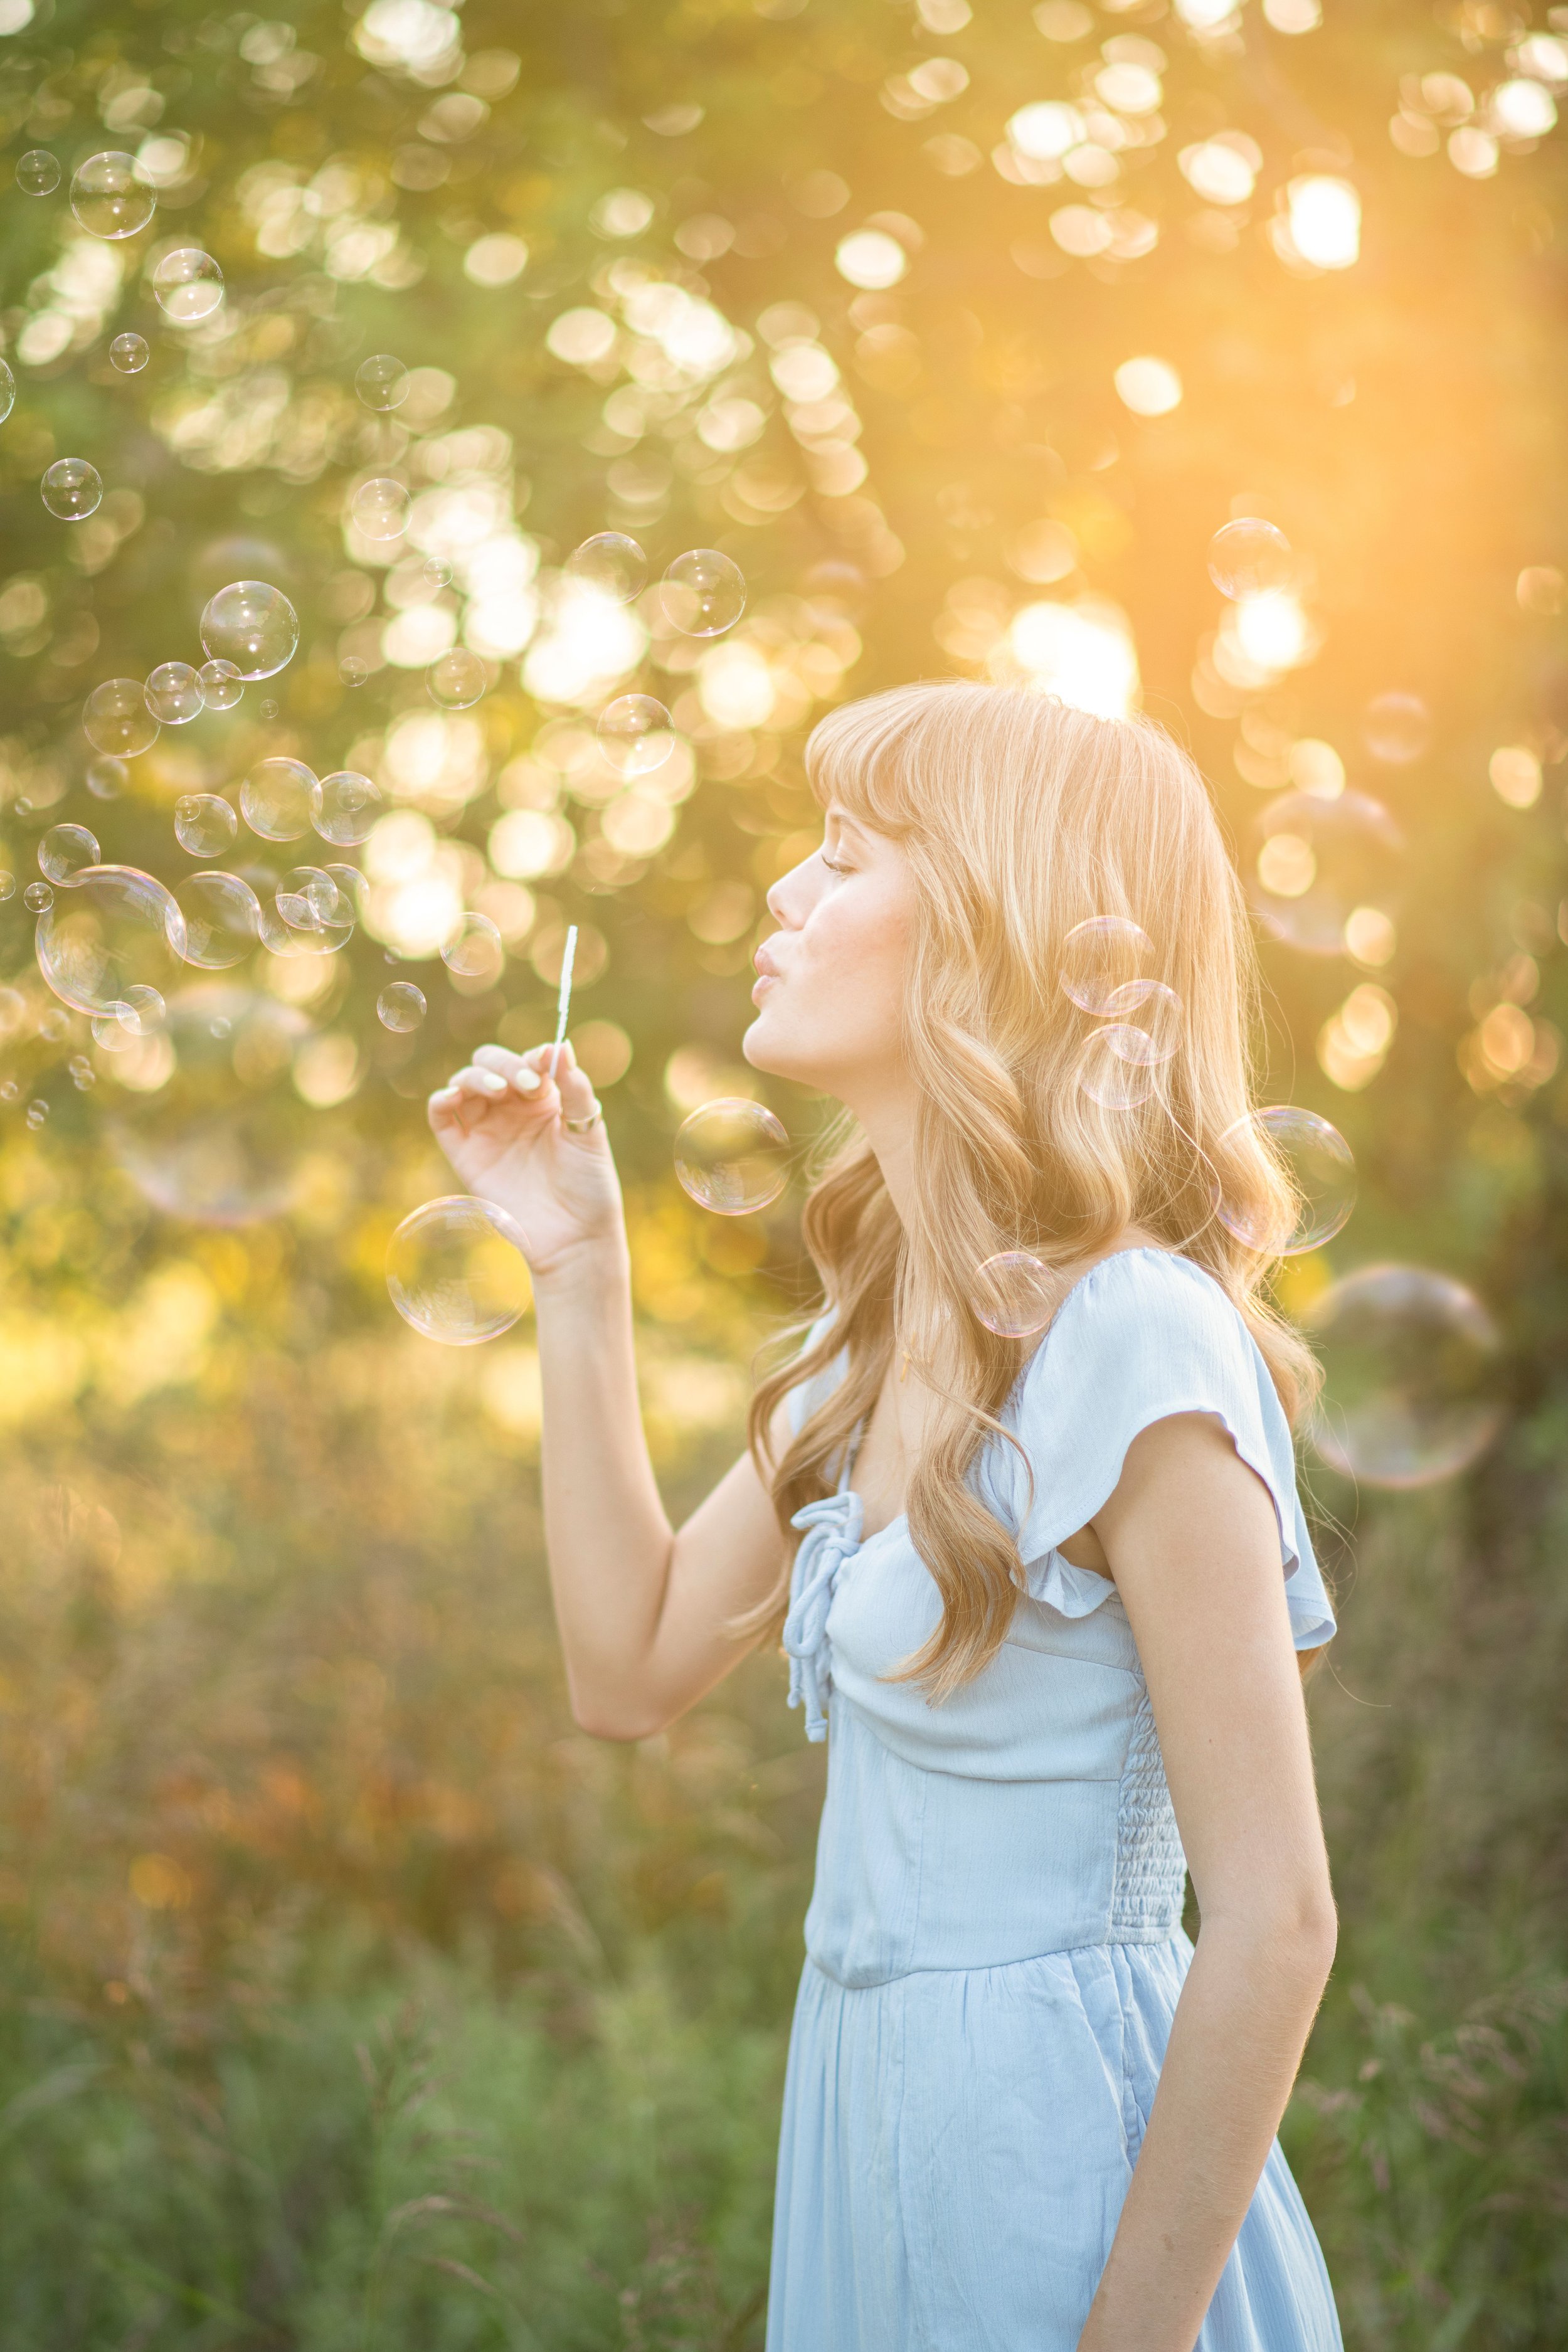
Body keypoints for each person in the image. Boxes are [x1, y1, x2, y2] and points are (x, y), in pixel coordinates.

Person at [427, 680, 1343, 2352]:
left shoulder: (1131, 1334)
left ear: (996, 931)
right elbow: (624, 1671)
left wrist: (1123, 2341)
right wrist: (574, 1264)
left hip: (1062, 2159)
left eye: (843, 857)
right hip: (871, 2125)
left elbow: (1277, 1918)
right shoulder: (878, 1340)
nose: (784, 894)